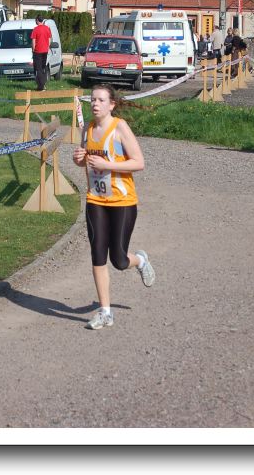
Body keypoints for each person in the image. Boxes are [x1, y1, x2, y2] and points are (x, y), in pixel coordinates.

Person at [72, 83, 155, 330]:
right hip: (95, 199)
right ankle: (105, 312)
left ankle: (140, 260)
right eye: (92, 100)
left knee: (118, 259)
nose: (95, 104)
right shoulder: (87, 129)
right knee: (98, 254)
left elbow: (139, 163)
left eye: (100, 100)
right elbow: (86, 161)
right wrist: (78, 160)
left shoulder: (119, 128)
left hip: (122, 201)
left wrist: (108, 165)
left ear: (111, 105)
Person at [30, 15, 52, 91]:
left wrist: (33, 50)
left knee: (38, 69)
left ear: (37, 20)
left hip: (37, 51)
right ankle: (42, 85)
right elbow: (49, 39)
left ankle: (41, 85)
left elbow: (33, 41)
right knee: (43, 67)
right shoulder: (47, 28)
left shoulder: (35, 29)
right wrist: (47, 47)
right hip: (45, 51)